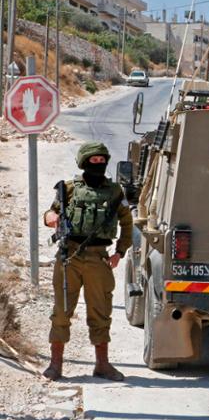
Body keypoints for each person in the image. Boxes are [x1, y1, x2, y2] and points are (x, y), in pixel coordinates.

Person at [42, 141, 133, 381]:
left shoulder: (115, 192)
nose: (98, 163)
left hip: (98, 258)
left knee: (100, 312)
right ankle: (55, 364)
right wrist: (51, 218)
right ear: (84, 162)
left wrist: (120, 252)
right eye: (94, 160)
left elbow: (127, 223)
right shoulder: (69, 188)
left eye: (102, 160)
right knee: (61, 311)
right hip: (69, 256)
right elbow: (50, 212)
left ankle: (102, 364)